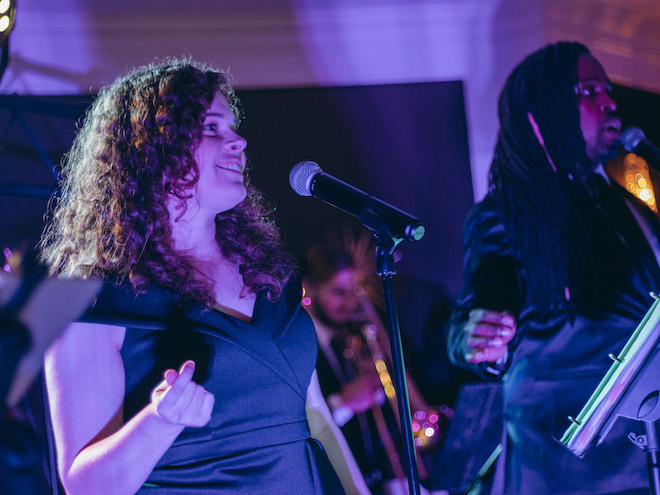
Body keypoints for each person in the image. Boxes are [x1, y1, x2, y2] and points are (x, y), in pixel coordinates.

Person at [39, 58, 369, 495]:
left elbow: (317, 424)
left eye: (233, 128)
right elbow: (86, 485)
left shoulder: (272, 277)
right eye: (213, 128)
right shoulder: (90, 297)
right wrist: (160, 421)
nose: (239, 141)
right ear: (153, 146)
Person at [446, 42, 659, 494]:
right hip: (567, 461)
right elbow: (485, 297)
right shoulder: (506, 213)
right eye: (588, 90)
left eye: (607, 88)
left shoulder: (622, 206)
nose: (609, 101)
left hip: (643, 447)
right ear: (543, 113)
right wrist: (473, 334)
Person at [303, 237, 445, 495]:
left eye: (354, 290)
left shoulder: (343, 338)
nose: (351, 302)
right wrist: (343, 402)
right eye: (338, 292)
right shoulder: (301, 345)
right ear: (310, 289)